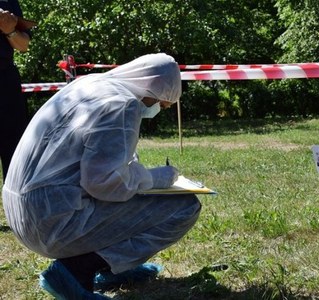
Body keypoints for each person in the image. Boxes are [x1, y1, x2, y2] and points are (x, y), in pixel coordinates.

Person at [2, 53, 202, 299]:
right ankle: (77, 270)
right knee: (185, 206)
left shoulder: (90, 85)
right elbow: (105, 184)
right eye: (160, 104)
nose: (158, 109)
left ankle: (111, 266)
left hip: (26, 212)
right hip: (53, 220)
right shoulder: (122, 104)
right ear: (150, 89)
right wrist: (160, 178)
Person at [0, 0, 32, 181]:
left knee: (14, 154)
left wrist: (10, 30)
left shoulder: (8, 1)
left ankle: (15, 206)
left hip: (5, 81)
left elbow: (23, 46)